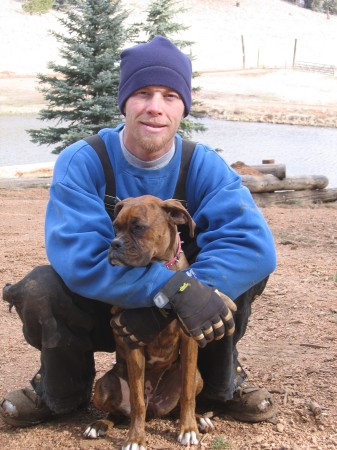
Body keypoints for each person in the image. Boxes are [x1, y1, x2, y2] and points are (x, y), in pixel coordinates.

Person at [0, 35, 277, 428]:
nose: (154, 107)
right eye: (143, 93)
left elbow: (254, 246)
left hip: (187, 316)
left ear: (183, 106)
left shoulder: (203, 164)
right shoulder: (84, 161)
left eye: (169, 95)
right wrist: (173, 291)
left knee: (242, 274)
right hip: (106, 309)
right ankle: (60, 392)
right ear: (125, 101)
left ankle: (220, 384)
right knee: (40, 287)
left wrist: (187, 291)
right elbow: (81, 259)